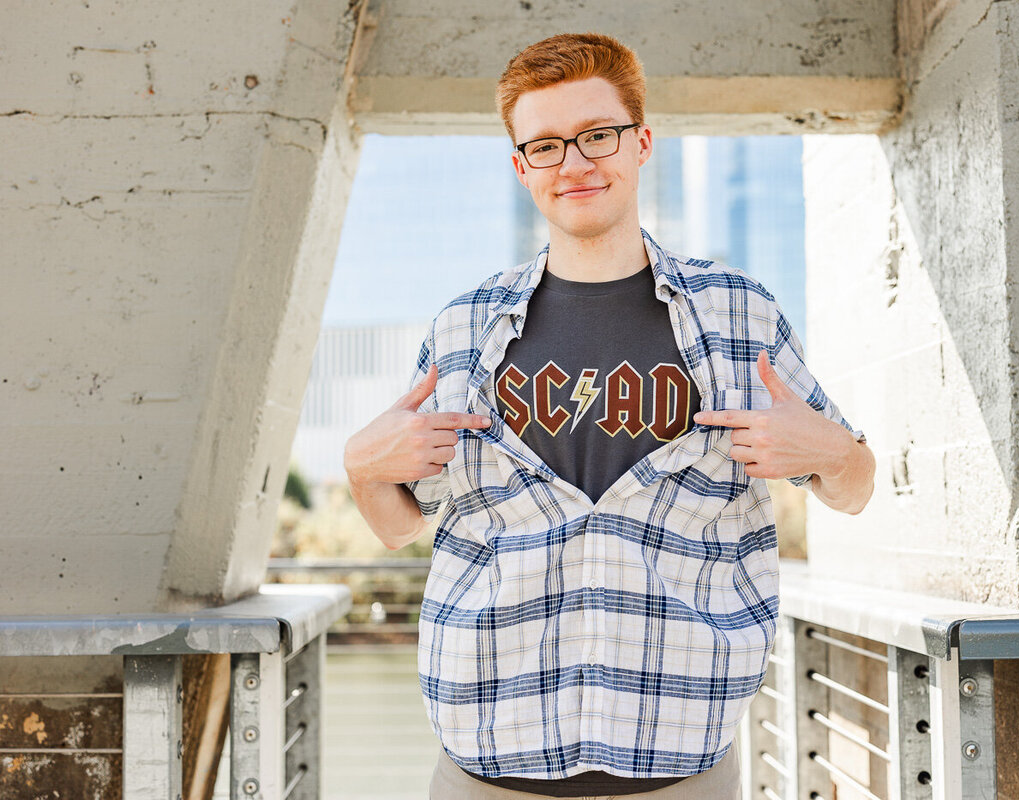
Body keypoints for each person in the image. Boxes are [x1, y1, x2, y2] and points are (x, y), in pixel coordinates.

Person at [343, 32, 875, 800]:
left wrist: (834, 449)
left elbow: (852, 488)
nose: (575, 163)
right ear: (522, 167)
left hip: (681, 764)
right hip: (486, 762)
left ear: (640, 143)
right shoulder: (464, 327)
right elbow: (400, 525)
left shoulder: (738, 314)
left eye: (597, 135)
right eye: (547, 145)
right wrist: (362, 468)